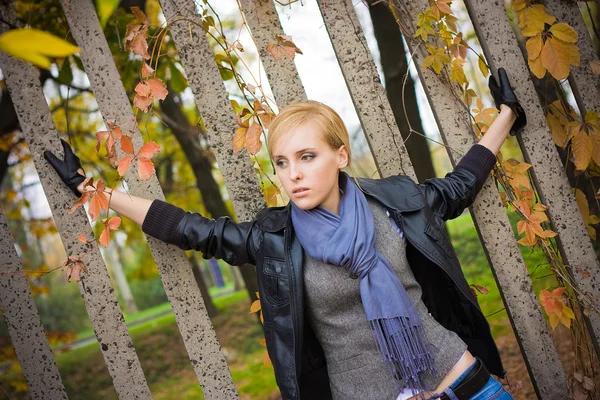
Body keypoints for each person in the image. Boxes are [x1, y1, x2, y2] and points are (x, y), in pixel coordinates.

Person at [44, 68, 526, 400]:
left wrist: (506, 114)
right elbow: (196, 231)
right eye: (280, 162)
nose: (291, 174)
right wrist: (98, 193)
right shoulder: (276, 240)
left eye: (307, 156)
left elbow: (461, 184)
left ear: (340, 155)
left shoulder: (395, 201)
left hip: (464, 382)